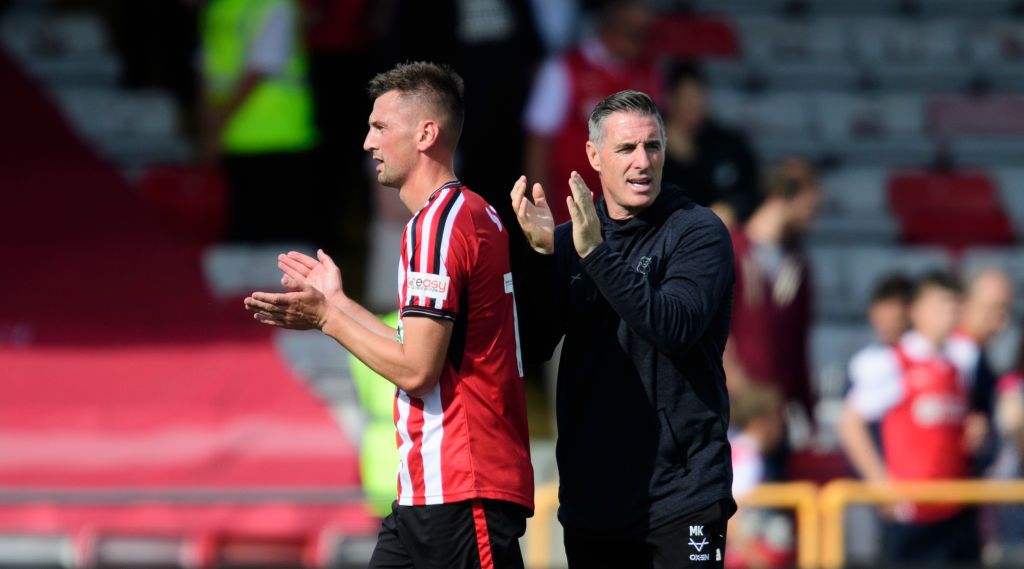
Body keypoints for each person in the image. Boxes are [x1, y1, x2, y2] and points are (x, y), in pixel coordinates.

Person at [244, 62, 534, 569]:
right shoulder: (464, 214)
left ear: (426, 133)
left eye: (379, 127)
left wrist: (326, 321)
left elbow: (417, 370)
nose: (366, 142)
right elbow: (419, 347)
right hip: (429, 493)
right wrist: (337, 302)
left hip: (462, 489)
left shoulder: (439, 227)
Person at [512, 89, 735, 568]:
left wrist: (596, 255)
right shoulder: (571, 239)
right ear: (593, 155)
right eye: (626, 149)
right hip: (595, 496)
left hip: (683, 491)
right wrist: (541, 258)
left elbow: (673, 326)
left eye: (653, 146)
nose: (643, 161)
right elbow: (531, 348)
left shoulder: (697, 231)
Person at [838, 272, 981, 564]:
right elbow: (850, 424)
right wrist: (880, 485)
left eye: (955, 306)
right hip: (912, 514)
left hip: (956, 507)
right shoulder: (890, 362)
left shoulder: (963, 360)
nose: (949, 315)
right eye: (940, 305)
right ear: (916, 310)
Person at [522, 0, 660, 224]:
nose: (645, 17)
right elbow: (538, 147)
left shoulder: (650, 73)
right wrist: (541, 215)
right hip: (572, 218)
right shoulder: (563, 69)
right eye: (636, 9)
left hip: (634, 223)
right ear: (612, 14)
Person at [199, 0, 321, 244]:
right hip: (246, 136)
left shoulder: (274, 6)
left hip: (279, 137)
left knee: (278, 236)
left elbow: (259, 70)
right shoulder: (220, 9)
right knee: (248, 231)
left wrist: (214, 127)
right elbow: (207, 71)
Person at [725, 157, 819, 419]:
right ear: (782, 198)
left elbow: (799, 342)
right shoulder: (730, 251)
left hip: (779, 409)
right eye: (809, 207)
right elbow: (711, 324)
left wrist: (806, 407)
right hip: (734, 405)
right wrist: (737, 383)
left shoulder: (798, 264)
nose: (812, 219)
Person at [661, 61, 760, 229]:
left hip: (721, 237)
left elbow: (752, 194)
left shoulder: (730, 145)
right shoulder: (648, 147)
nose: (695, 104)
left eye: (699, 95)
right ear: (671, 99)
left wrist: (732, 209)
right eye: (686, 97)